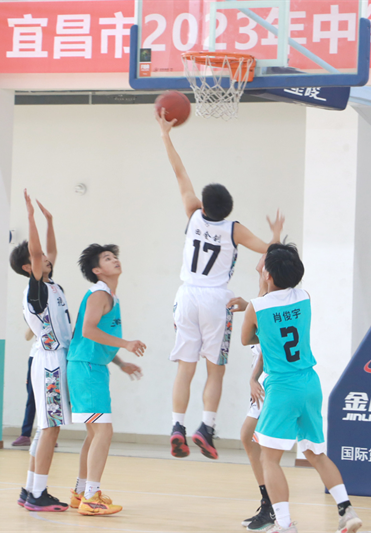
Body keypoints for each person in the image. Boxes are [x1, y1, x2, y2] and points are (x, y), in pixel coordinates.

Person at [156, 108, 284, 461]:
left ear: (204, 203)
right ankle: (206, 428)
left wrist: (165, 135)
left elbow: (179, 172)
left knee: (185, 367)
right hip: (216, 300)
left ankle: (177, 426)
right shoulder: (234, 229)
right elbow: (269, 250)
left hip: (186, 295)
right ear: (228, 209)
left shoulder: (193, 214)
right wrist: (275, 233)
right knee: (216, 369)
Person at [240, 243, 363, 533]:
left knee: (269, 458)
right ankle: (346, 510)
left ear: (268, 274)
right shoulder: (304, 297)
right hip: (310, 383)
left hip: (282, 387)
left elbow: (246, 339)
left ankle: (284, 524)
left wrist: (261, 322)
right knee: (315, 453)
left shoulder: (256, 306)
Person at [66, 244, 146, 516]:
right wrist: (126, 344)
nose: (115, 260)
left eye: (115, 257)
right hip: (86, 369)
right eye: (107, 258)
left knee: (94, 434)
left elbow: (96, 337)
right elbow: (88, 330)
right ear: (97, 270)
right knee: (103, 432)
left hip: (91, 367)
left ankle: (80, 492)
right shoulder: (99, 294)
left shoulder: (110, 296)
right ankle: (91, 497)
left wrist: (120, 363)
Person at [10, 189, 72, 512]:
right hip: (50, 362)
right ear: (28, 266)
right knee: (50, 429)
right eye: (38, 258)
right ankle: (38, 494)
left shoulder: (50, 285)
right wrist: (31, 217)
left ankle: (29, 489)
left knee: (44, 429)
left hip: (52, 359)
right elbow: (38, 253)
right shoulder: (35, 291)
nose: (46, 257)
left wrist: (50, 221)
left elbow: (51, 251)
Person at [228, 256, 275, 531]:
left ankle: (273, 508)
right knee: (250, 438)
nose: (260, 263)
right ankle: (270, 504)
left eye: (265, 261)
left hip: (269, 378)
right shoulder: (263, 295)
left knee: (258, 441)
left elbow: (267, 345)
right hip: (262, 377)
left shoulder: (270, 299)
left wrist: (254, 378)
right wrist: (247, 306)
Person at [12, 329, 39, 447]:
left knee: (50, 397)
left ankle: (48, 433)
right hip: (35, 356)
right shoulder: (36, 317)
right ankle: (25, 434)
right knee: (32, 397)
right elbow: (27, 337)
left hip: (53, 357)